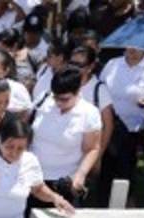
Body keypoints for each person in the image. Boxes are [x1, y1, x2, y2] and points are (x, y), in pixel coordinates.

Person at [98, 46, 144, 203]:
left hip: (133, 129)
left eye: (138, 47)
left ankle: (124, 203)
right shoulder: (113, 64)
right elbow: (100, 89)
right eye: (130, 46)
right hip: (107, 125)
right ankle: (101, 203)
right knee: (105, 169)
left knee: (125, 170)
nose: (132, 50)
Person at [29, 66, 103, 205]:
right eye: (55, 97)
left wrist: (81, 174)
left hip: (62, 182)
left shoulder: (89, 113)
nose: (58, 103)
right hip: (32, 176)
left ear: (78, 92)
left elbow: (92, 148)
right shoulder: (44, 100)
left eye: (64, 99)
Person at [71, 45, 114, 200]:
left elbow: (108, 125)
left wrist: (97, 156)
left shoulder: (99, 89)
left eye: (79, 65)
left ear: (90, 67)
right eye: (72, 63)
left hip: (86, 157)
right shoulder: (67, 83)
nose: (74, 68)